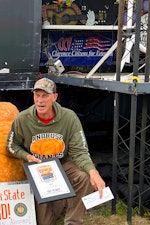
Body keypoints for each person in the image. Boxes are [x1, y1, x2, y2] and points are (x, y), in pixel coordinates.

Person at [7, 78, 106, 225]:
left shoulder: (69, 117)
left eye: (45, 95)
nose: (40, 100)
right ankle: (61, 205)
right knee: (45, 221)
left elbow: (80, 151)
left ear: (54, 97)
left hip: (63, 164)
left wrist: (93, 171)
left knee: (84, 176)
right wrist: (26, 156)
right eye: (37, 95)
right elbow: (11, 146)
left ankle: (73, 220)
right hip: (38, 168)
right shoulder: (22, 119)